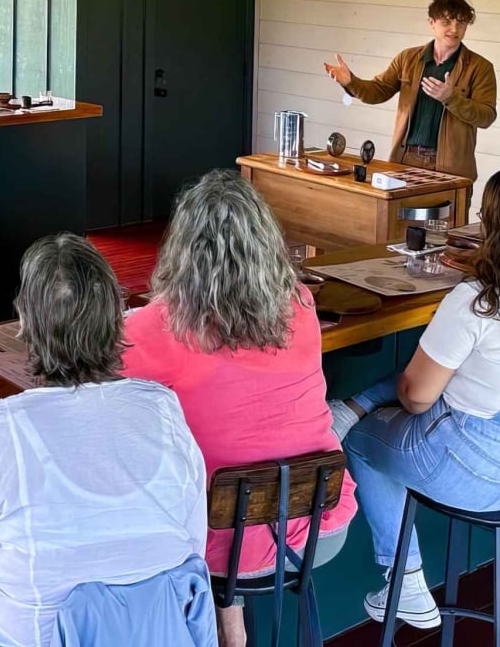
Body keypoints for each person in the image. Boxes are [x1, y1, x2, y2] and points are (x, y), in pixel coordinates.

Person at [329, 167, 500, 630]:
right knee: (447, 373)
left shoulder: (479, 301)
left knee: (360, 439)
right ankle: (354, 406)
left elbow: (415, 398)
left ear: (491, 231)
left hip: (472, 475)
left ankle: (406, 581)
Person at [0, 233, 207, 647]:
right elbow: (192, 546)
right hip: (152, 634)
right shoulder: (163, 408)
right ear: (117, 317)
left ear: (25, 323)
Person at [121, 169, 358, 647]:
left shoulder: (158, 326)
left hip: (216, 544)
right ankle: (232, 627)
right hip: (319, 530)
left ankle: (221, 626)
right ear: (265, 241)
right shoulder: (300, 304)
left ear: (182, 248)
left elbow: (92, 367)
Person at [322, 0, 496, 182]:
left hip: (453, 169)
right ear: (432, 23)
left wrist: (451, 98)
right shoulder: (407, 58)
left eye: (461, 23)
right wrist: (351, 82)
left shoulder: (480, 67)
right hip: (405, 160)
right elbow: (378, 91)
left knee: (446, 204)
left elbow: (486, 116)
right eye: (446, 22)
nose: (454, 29)